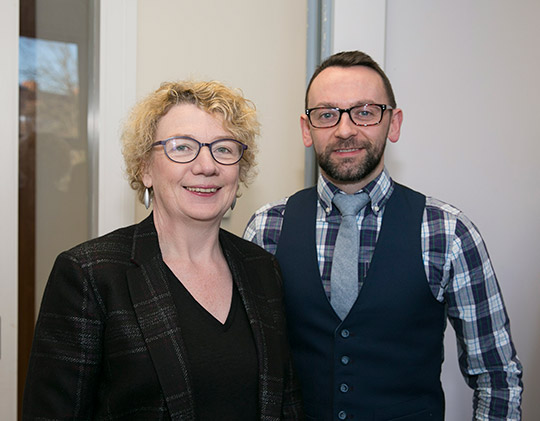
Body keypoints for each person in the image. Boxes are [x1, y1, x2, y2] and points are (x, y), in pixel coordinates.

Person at [244, 51, 522, 420]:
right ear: (306, 129)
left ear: (393, 123)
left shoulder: (448, 232)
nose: (345, 130)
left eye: (365, 111)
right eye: (327, 114)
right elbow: (247, 368)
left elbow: (497, 377)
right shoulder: (267, 228)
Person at [23, 80, 303, 420]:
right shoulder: (90, 274)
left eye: (224, 149)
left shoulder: (262, 269)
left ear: (239, 169)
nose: (207, 166)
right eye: (182, 147)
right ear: (145, 168)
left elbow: (286, 404)